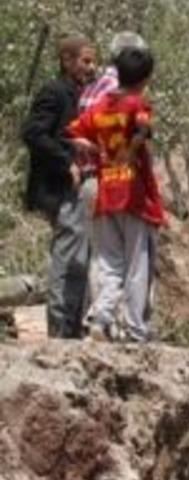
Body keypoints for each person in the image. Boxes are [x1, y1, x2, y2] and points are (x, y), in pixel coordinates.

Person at [67, 47, 165, 342]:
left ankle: (100, 317)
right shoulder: (138, 103)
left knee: (109, 263)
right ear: (145, 78)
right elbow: (144, 128)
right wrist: (132, 149)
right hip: (134, 194)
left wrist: (94, 148)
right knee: (137, 263)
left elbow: (72, 133)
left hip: (106, 191)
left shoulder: (98, 106)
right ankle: (135, 330)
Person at [21, 34, 97, 339]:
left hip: (78, 189)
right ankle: (59, 331)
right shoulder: (54, 91)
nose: (91, 67)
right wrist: (66, 157)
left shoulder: (83, 92)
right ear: (66, 60)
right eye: (85, 60)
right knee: (67, 259)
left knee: (81, 259)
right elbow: (32, 133)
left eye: (92, 61)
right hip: (59, 187)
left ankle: (73, 328)